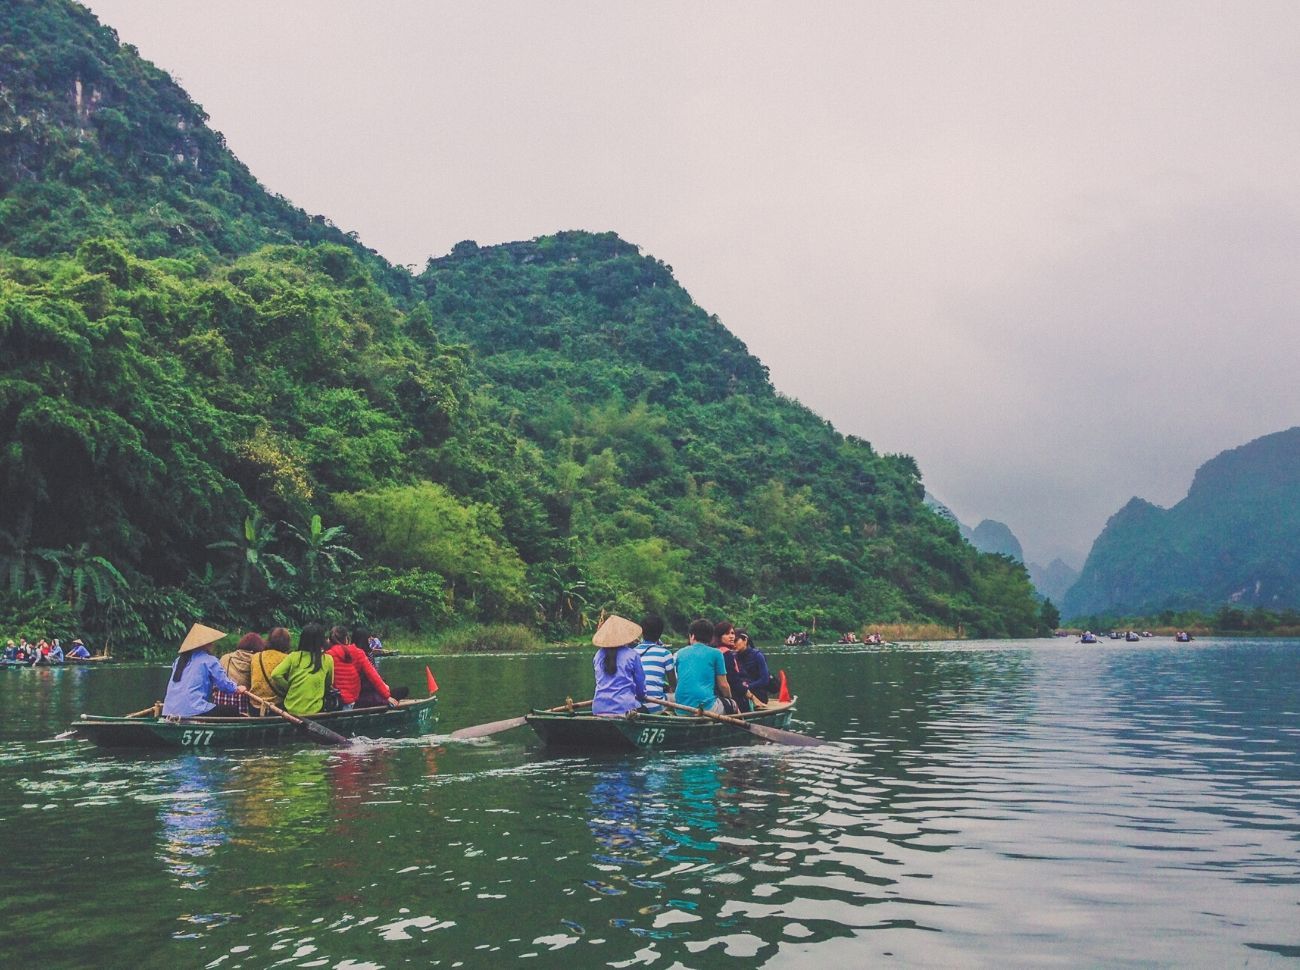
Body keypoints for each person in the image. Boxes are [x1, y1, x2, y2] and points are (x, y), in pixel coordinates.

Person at [161, 623, 248, 717]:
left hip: (168, 711)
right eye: (211, 642)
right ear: (205, 644)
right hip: (194, 710)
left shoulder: (178, 660)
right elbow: (224, 685)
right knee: (232, 710)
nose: (213, 644)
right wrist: (237, 688)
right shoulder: (209, 660)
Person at [270, 622, 335, 716]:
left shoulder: (293, 656)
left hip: (291, 709)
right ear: (322, 640)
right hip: (314, 711)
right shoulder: (327, 659)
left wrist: (289, 687)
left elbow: (275, 674)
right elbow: (329, 683)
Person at [326, 626, 397, 710]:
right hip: (351, 701)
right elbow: (373, 675)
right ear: (346, 639)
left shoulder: (327, 655)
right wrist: (387, 696)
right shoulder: (358, 652)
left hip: (334, 701)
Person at [674, 618, 734, 715]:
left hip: (680, 707)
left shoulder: (679, 653)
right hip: (706, 707)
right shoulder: (716, 653)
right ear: (711, 638)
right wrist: (729, 699)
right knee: (733, 704)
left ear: (692, 636)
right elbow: (723, 685)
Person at [591, 614, 648, 716]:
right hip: (625, 708)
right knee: (646, 711)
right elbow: (640, 687)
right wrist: (641, 696)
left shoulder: (598, 655)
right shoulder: (632, 655)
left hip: (598, 708)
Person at [635, 613, 676, 713]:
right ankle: (667, 715)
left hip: (633, 705)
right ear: (660, 633)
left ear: (642, 632)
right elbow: (673, 684)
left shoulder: (632, 652)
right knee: (675, 696)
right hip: (655, 706)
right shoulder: (665, 653)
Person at [250, 627, 292, 706]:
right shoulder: (286, 658)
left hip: (255, 704)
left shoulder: (256, 656)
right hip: (277, 706)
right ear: (287, 643)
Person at [713, 620, 748, 713]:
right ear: (719, 636)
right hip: (726, 695)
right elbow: (733, 681)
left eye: (732, 633)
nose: (732, 636)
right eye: (727, 634)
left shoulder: (713, 651)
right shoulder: (726, 654)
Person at [732, 630, 773, 704]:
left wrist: (747, 686)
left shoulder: (758, 655)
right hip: (741, 691)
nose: (733, 644)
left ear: (745, 640)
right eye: (732, 641)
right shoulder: (733, 657)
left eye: (736, 640)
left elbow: (764, 680)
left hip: (757, 693)